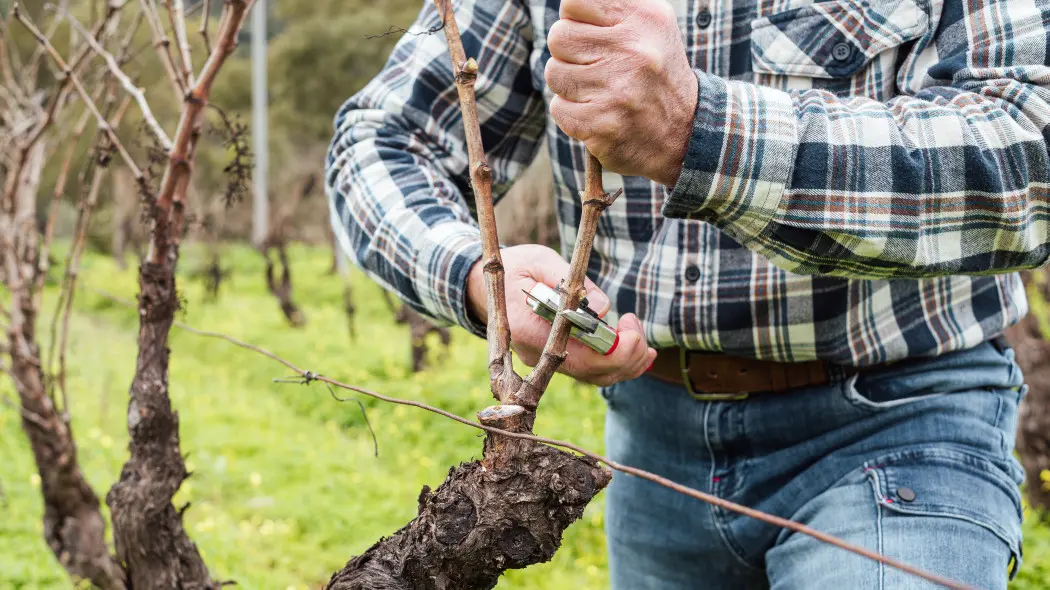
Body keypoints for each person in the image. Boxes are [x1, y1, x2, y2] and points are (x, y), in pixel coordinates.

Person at [325, 0, 1050, 587]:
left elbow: (1030, 153)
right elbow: (384, 139)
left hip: (902, 422)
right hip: (654, 444)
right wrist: (475, 276)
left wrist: (698, 133)